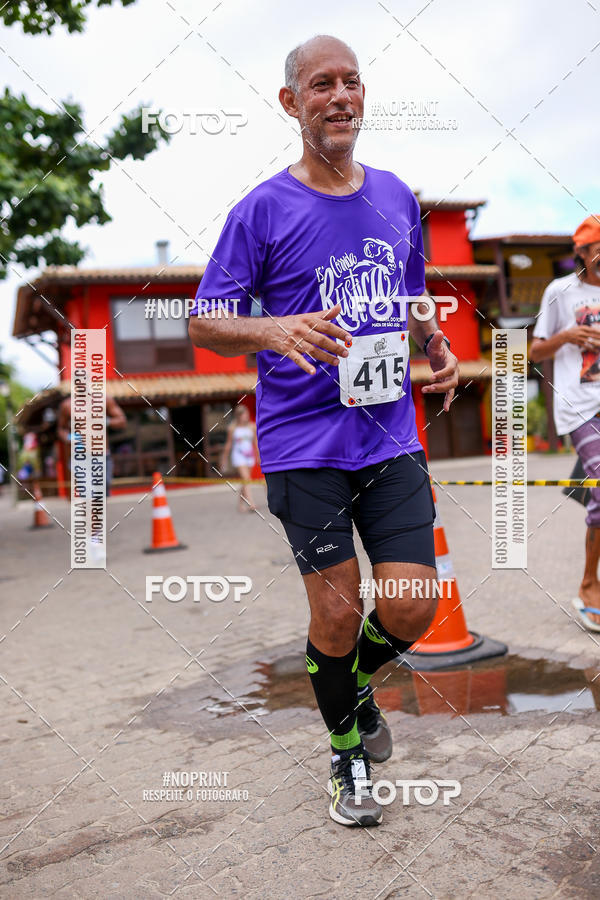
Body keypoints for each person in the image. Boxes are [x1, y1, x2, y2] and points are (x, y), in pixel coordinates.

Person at [189, 35, 459, 827]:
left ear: (363, 95)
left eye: (350, 82)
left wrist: (435, 346)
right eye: (319, 85)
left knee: (411, 606)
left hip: (391, 438)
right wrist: (274, 331)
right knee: (337, 615)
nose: (338, 97)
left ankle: (352, 685)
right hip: (304, 444)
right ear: (292, 103)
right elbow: (208, 319)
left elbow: (411, 299)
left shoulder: (398, 197)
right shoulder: (263, 208)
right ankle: (346, 747)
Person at [530, 214, 600, 632]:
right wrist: (566, 338)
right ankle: (589, 587)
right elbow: (536, 351)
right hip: (581, 407)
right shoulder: (561, 292)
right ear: (582, 253)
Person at [57, 395, 126, 495]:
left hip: (102, 456)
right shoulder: (67, 405)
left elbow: (122, 420)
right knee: (88, 494)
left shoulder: (105, 400)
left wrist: (106, 421)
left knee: (102, 493)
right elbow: (61, 429)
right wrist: (69, 437)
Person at [220, 404, 259, 512]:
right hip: (238, 456)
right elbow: (228, 444)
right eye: (243, 415)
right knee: (246, 479)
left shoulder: (252, 427)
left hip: (249, 456)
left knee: (245, 481)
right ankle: (251, 503)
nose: (245, 417)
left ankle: (240, 504)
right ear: (238, 416)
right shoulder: (233, 428)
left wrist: (258, 456)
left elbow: (255, 443)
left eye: (246, 414)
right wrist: (224, 459)